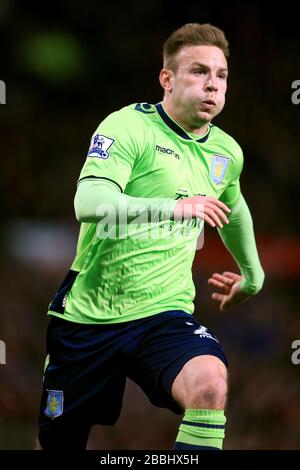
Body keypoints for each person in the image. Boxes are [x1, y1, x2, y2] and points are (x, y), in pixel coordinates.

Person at [38, 23, 264, 450]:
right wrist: (174, 207)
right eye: (199, 71)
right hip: (89, 315)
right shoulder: (127, 127)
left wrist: (252, 274)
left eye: (221, 75)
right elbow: (88, 201)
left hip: (163, 312)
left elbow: (232, 208)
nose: (213, 84)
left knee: (211, 385)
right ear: (168, 78)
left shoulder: (226, 152)